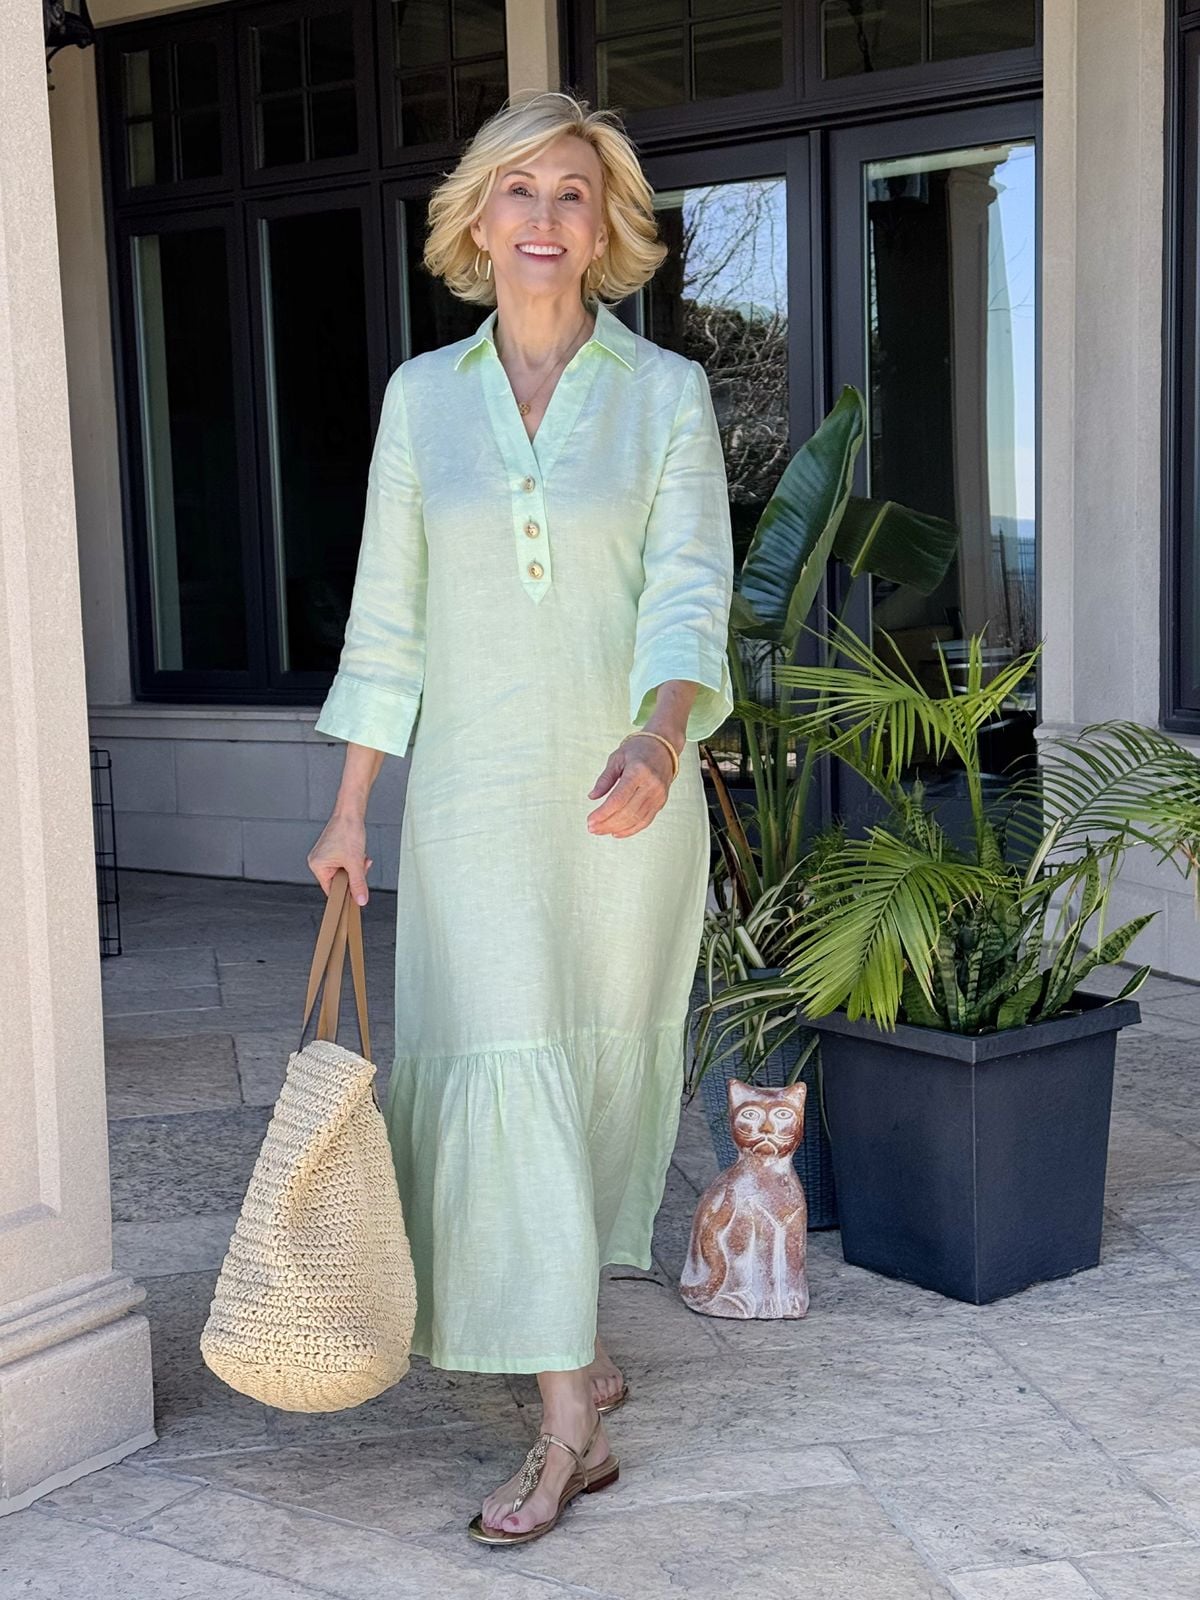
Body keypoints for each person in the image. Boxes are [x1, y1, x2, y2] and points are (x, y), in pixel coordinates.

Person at [307, 86, 734, 1546]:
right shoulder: (422, 401)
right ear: (476, 223)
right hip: (474, 805)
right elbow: (388, 620)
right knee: (506, 1056)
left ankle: (569, 1338)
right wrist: (351, 811)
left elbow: (691, 590)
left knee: (595, 1071)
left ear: (604, 227)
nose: (544, 218)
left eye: (571, 194)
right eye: (518, 191)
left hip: (625, 801)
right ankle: (570, 1428)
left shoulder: (665, 396)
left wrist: (662, 735)